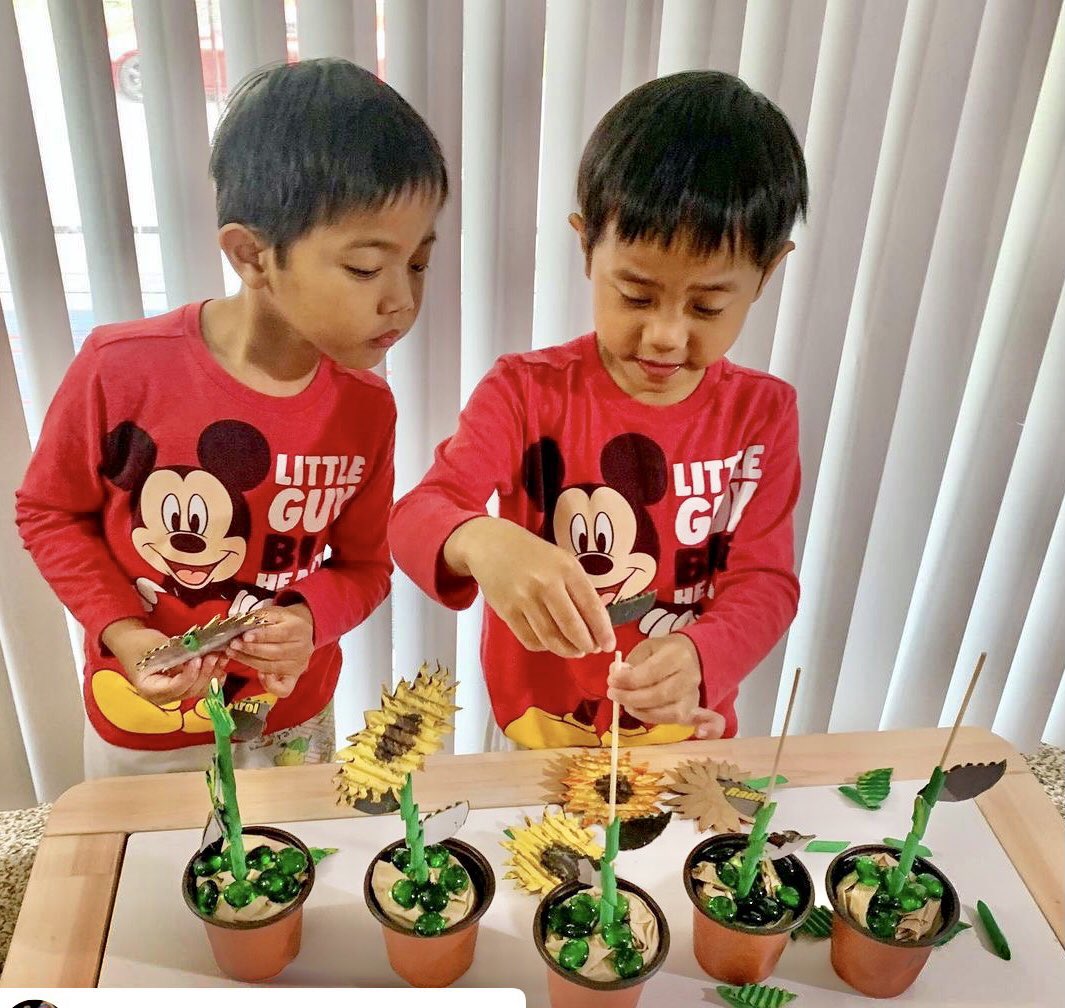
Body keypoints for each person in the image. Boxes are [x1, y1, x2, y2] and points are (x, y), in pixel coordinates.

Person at [16, 59, 447, 777]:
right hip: (145, 718)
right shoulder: (120, 368)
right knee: (146, 884)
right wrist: (124, 633)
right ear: (252, 255)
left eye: (420, 264)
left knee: (285, 879)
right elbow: (48, 514)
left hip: (289, 723)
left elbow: (366, 565)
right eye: (367, 268)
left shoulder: (367, 407)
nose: (400, 300)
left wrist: (309, 621)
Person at [390, 71, 806, 750]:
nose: (668, 334)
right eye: (636, 296)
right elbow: (418, 517)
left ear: (766, 273)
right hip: (538, 732)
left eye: (707, 306)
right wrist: (480, 539)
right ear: (586, 247)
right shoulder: (527, 392)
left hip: (680, 732)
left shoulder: (761, 413)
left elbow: (764, 581)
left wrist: (705, 656)